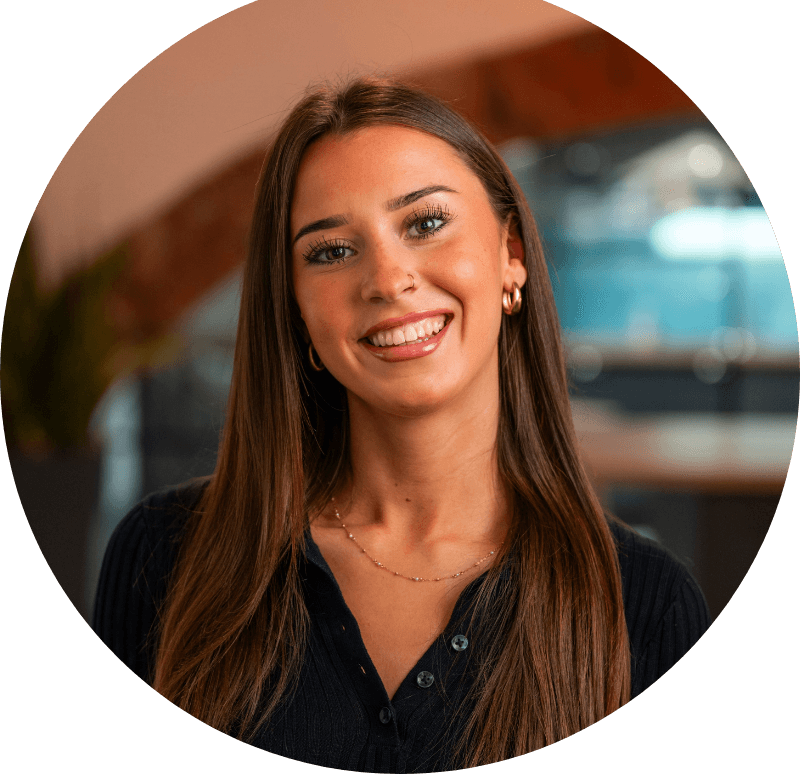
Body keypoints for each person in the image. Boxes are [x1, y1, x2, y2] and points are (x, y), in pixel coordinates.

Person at [93, 78, 710, 772]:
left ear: (510, 254)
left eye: (425, 223)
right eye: (331, 251)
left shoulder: (647, 608)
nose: (387, 280)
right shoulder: (162, 558)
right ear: (296, 309)